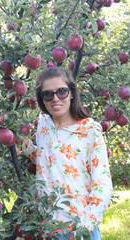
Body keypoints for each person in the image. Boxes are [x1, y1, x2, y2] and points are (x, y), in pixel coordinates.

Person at [23, 67, 113, 240]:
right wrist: (26, 147)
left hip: (77, 226)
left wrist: (84, 226)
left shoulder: (89, 129)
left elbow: (103, 184)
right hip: (47, 225)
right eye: (48, 94)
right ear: (42, 99)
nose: (55, 98)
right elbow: (51, 158)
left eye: (62, 92)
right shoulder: (43, 125)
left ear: (71, 93)